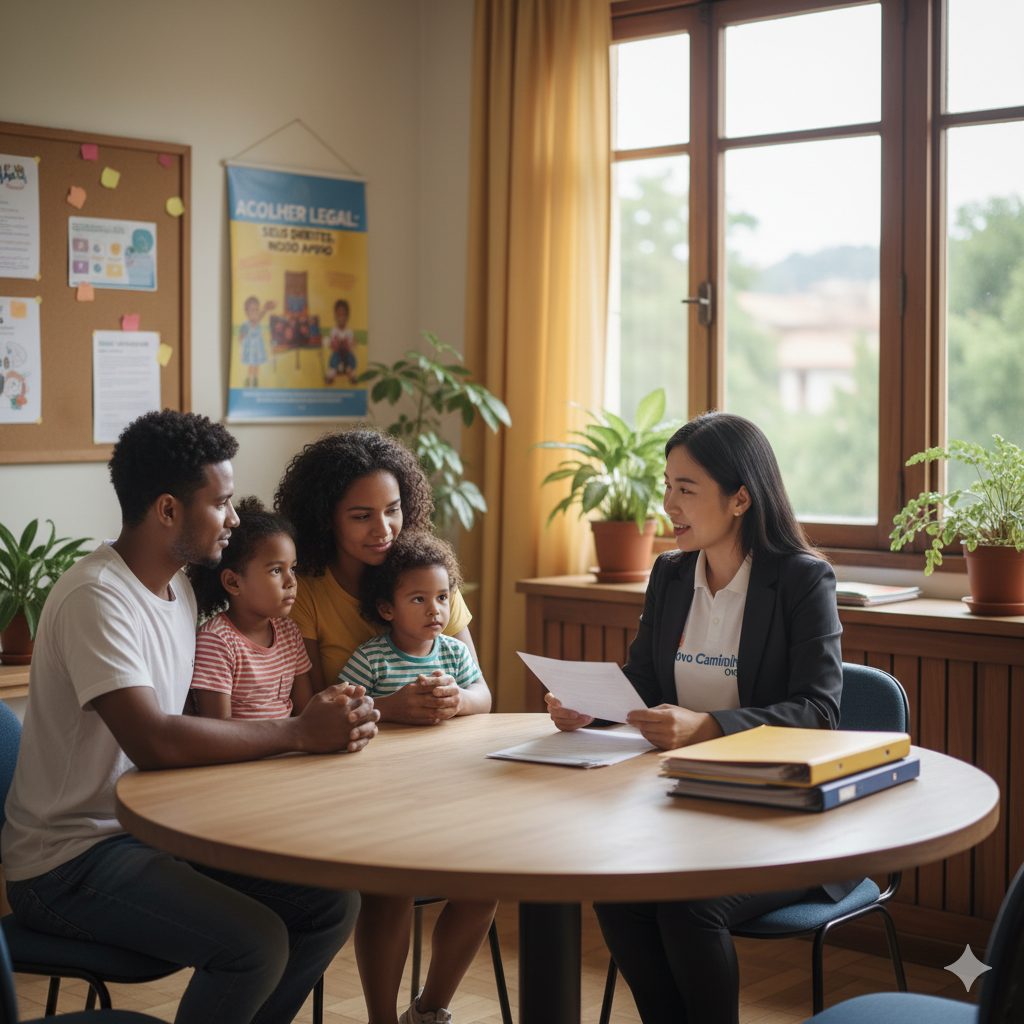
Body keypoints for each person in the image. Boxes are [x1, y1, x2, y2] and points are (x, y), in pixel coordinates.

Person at [2, 410, 379, 1024]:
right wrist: (300, 732)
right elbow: (153, 740)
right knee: (254, 944)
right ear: (169, 510)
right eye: (222, 502)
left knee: (330, 905)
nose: (234, 518)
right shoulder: (96, 598)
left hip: (149, 832)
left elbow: (187, 727)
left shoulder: (178, 589)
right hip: (70, 860)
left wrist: (310, 728)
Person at [546, 411, 852, 1024]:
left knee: (688, 907)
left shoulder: (801, 579)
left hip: (783, 815)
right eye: (667, 485)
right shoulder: (670, 573)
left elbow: (820, 711)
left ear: (740, 498)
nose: (668, 504)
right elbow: (649, 681)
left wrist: (708, 727)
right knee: (620, 896)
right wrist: (595, 704)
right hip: (686, 804)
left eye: (686, 489)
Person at [275, 429, 496, 1024]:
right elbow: (309, 706)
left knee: (487, 881)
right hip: (352, 782)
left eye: (394, 509)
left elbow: (478, 688)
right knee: (391, 879)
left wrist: (455, 701)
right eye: (362, 515)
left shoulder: (426, 574)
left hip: (440, 776)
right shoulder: (307, 590)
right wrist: (389, 708)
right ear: (328, 517)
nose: (383, 528)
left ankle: (429, 1011)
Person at [187, 496, 314, 720]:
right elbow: (218, 732)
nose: (291, 581)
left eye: (293, 568)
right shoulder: (216, 641)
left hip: (292, 750)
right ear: (233, 582)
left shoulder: (290, 633)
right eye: (276, 570)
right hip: (244, 754)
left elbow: (305, 714)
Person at [239, 295, 275, 388]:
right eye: (251, 311)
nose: (254, 313)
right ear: (247, 312)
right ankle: (249, 378)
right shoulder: (245, 324)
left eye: (256, 310)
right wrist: (242, 336)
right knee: (251, 365)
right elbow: (241, 336)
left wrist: (266, 309)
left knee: (257, 364)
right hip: (250, 349)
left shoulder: (257, 322)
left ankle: (255, 379)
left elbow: (259, 317)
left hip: (257, 349)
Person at [325, 299, 357, 384]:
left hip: (347, 353)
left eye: (343, 315)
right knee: (333, 359)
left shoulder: (349, 332)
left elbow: (353, 344)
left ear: (347, 317)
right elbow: (331, 344)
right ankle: (331, 374)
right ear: (335, 317)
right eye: (338, 315)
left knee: (352, 359)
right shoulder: (333, 331)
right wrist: (331, 344)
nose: (341, 318)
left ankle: (352, 374)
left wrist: (352, 344)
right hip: (338, 353)